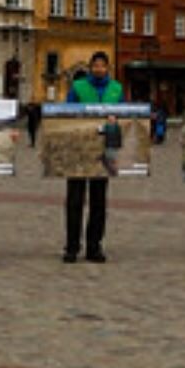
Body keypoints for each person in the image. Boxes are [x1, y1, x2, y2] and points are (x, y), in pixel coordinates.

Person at [64, 51, 123, 263]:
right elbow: (66, 113)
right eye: (95, 65)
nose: (99, 69)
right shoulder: (78, 87)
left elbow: (124, 117)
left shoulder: (116, 89)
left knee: (99, 201)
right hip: (80, 148)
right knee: (74, 200)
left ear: (107, 68)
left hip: (104, 151)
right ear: (90, 68)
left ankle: (94, 246)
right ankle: (71, 246)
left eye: (102, 66)